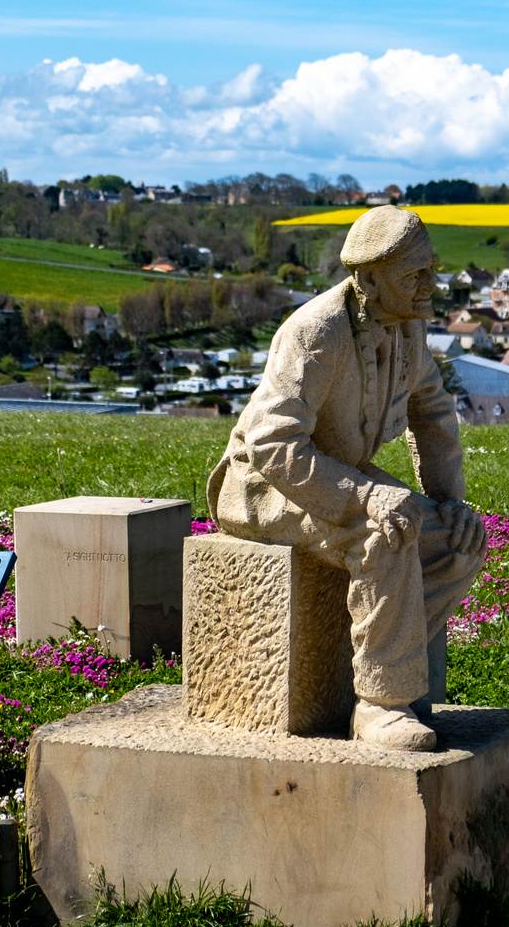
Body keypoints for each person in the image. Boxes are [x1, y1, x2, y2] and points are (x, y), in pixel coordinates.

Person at [208, 206, 487, 751]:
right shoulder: (317, 333)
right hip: (264, 485)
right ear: (368, 279)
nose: (432, 285)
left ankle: (384, 653)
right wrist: (365, 495)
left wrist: (448, 500)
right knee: (386, 532)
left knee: (460, 542)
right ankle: (381, 704)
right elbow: (271, 443)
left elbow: (431, 413)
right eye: (414, 275)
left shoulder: (409, 327)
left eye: (431, 269)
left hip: (339, 471)